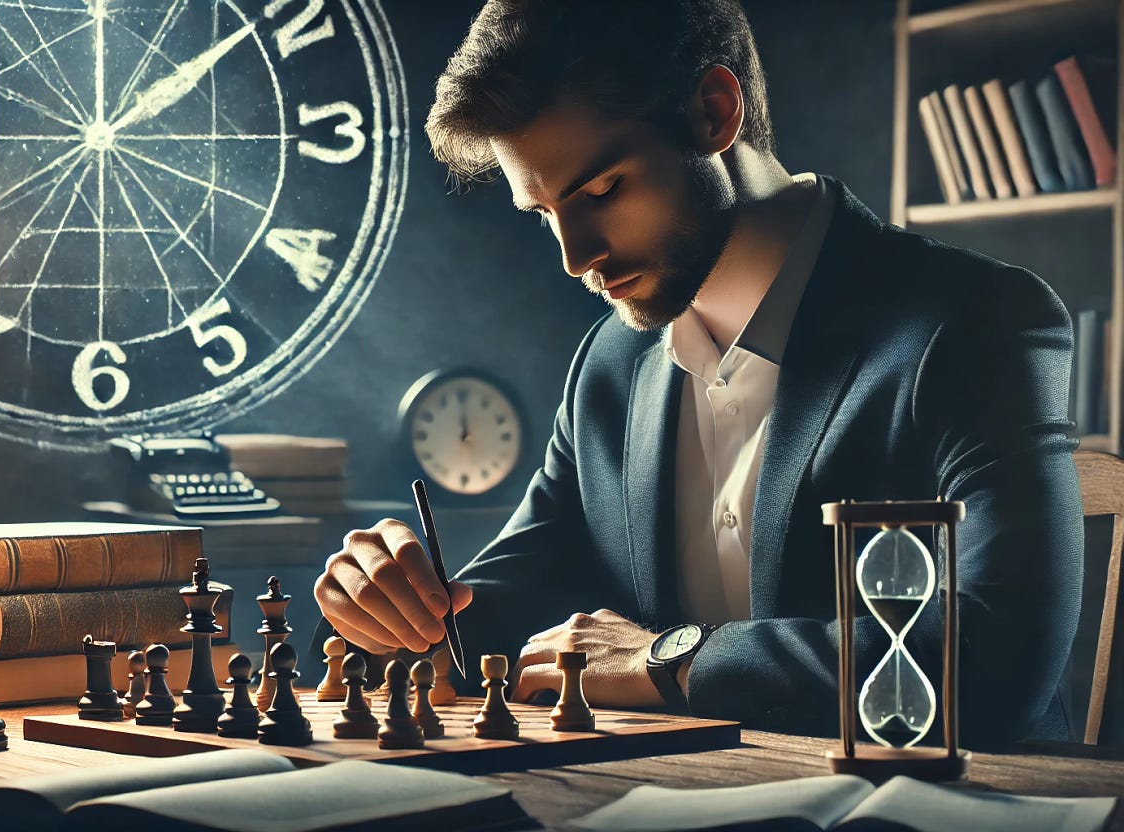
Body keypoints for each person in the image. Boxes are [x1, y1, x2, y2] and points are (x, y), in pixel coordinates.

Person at [314, 0, 1082, 746]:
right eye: (545, 213)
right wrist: (384, 605)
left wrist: (672, 660)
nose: (575, 257)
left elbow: (996, 664)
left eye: (602, 190)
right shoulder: (608, 368)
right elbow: (497, 605)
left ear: (714, 113)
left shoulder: (973, 322)